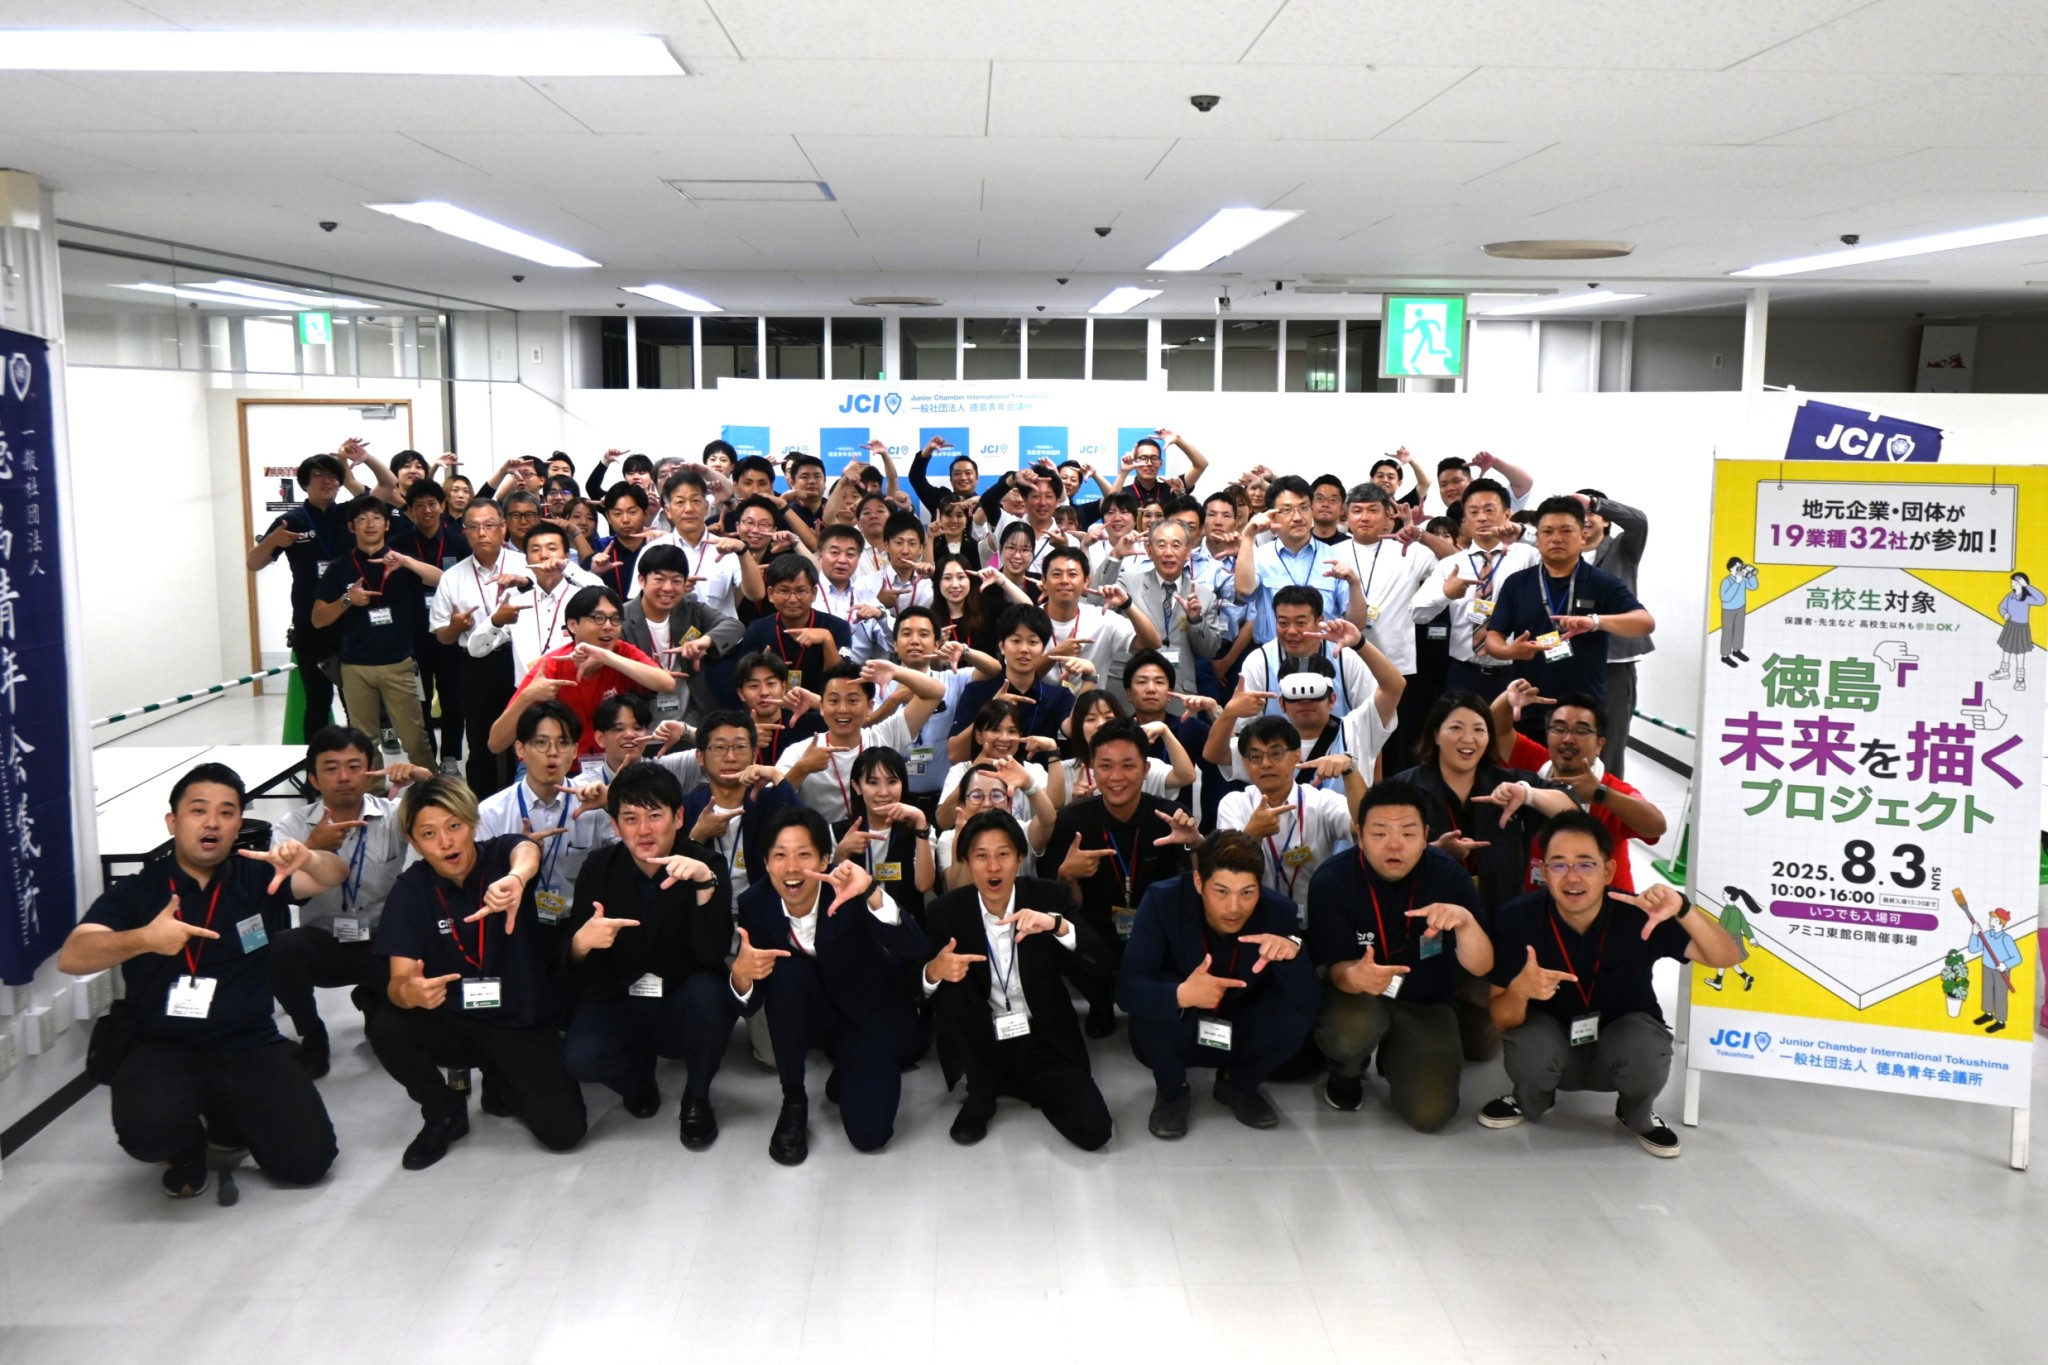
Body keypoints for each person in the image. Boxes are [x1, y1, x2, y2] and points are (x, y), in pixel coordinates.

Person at [58, 763, 349, 1195]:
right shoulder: (140, 890)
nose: (212, 822)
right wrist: (144, 938)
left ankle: (226, 1120)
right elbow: (73, 956)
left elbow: (334, 874)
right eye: (198, 810)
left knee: (308, 1162)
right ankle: (187, 1146)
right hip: (163, 1043)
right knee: (147, 1133)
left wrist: (310, 856)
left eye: (226, 812)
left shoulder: (257, 878)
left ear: (238, 826)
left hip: (248, 1040)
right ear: (173, 822)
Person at [1481, 811, 1744, 1157]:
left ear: (1608, 871)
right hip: (1552, 1045)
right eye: (1558, 865)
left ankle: (1635, 1112)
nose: (1572, 877)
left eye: (1585, 864)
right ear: (1543, 871)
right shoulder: (1517, 918)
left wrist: (1683, 909)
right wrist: (1519, 991)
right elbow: (1501, 1020)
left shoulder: (1638, 914)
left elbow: (1727, 956)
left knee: (1647, 1048)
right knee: (1528, 1046)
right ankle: (1533, 1099)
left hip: (1621, 1045)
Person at [369, 776, 587, 1169]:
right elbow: (399, 982)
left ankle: (500, 1080)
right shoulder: (411, 891)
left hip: (519, 1019)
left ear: (472, 823)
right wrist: (410, 992)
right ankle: (443, 1111)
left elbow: (526, 850)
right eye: (429, 834)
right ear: (413, 841)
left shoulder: (501, 856)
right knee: (387, 1026)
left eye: (454, 826)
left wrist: (516, 879)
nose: (446, 842)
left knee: (564, 1132)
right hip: (455, 1019)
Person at [727, 808, 928, 1165]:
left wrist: (872, 891)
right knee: (785, 973)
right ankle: (793, 1101)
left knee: (870, 1135)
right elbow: (751, 1002)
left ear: (824, 859)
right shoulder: (755, 904)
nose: (792, 868)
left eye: (803, 854)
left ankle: (852, 1065)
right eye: (780, 855)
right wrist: (741, 974)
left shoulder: (849, 888)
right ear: (766, 862)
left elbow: (914, 949)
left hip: (868, 1016)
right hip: (815, 1014)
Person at [561, 761, 736, 1146]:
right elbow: (574, 963)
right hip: (618, 995)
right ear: (615, 824)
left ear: (678, 817)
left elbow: (712, 954)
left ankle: (697, 1096)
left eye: (655, 815)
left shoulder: (706, 865)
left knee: (712, 996)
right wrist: (581, 943)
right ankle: (636, 1081)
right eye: (630, 818)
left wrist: (705, 887)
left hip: (680, 995)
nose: (643, 830)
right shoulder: (599, 867)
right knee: (580, 1057)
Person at [1305, 781, 1492, 1129]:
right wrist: (1353, 976)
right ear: (1360, 835)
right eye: (1380, 833)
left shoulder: (1449, 877)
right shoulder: (1332, 881)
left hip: (1426, 1000)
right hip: (1357, 996)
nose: (1394, 845)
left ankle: (1398, 1057)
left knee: (1431, 1115)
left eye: (1408, 833)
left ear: (1425, 835)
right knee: (1348, 1033)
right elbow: (1334, 968)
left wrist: (1466, 923)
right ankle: (1346, 1073)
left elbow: (1482, 966)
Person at [922, 810, 1114, 1149]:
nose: (993, 867)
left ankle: (1018, 1080)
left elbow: (1100, 962)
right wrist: (932, 971)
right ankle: (982, 1088)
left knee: (1095, 1131)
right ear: (965, 861)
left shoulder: (1049, 898)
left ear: (1020, 857)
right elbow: (914, 987)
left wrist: (1057, 926)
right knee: (951, 981)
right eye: (981, 856)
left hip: (1042, 1035)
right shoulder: (945, 912)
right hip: (982, 1038)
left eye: (1003, 854)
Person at [1116, 831, 1317, 1138]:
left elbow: (1310, 1001)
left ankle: (1239, 1085)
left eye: (1247, 892)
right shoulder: (1163, 900)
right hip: (1182, 1019)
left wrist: (1293, 956)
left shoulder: (1278, 911)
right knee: (1157, 997)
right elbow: (1127, 989)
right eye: (1221, 892)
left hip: (1242, 1018)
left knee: (1294, 1013)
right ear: (1199, 882)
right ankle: (1172, 1090)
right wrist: (1181, 995)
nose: (1234, 907)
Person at [266, 726, 419, 1078]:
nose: (344, 777)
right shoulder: (292, 826)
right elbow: (280, 889)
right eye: (331, 768)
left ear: (370, 772)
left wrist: (423, 779)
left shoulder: (394, 815)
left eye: (354, 766)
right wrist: (312, 847)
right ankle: (312, 1033)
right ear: (314, 779)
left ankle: (373, 999)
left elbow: (453, 817)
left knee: (393, 1036)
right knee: (281, 948)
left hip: (383, 943)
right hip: (323, 942)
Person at [1041, 719, 1204, 1036]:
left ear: (1145, 770)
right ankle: (1099, 1000)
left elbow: (1198, 887)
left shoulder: (1170, 816)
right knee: (1061, 934)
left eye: (1128, 765)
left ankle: (1157, 996)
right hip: (1096, 924)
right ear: (1092, 768)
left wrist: (1195, 843)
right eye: (1105, 766)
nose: (1116, 776)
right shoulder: (1071, 821)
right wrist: (1066, 876)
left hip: (1155, 923)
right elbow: (1066, 906)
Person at [1482, 496, 1653, 727]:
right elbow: (1493, 637)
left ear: (1582, 536)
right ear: (1537, 537)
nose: (1556, 538)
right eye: (1547, 531)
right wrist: (1509, 651)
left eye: (1566, 531)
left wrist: (1595, 622)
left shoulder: (1602, 582)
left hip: (1584, 710)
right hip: (1529, 701)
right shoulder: (1517, 583)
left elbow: (1644, 622)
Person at [1489, 685, 1667, 893]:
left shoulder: (1611, 790)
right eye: (1559, 729)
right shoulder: (1537, 763)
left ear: (1599, 744)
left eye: (1581, 731)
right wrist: (1507, 699)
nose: (1568, 739)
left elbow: (1656, 826)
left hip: (1604, 903)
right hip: (1539, 898)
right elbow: (1498, 732)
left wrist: (1601, 794)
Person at [248, 449, 363, 737]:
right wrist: (273, 541)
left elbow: (384, 490)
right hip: (310, 623)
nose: (328, 481)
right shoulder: (292, 520)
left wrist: (351, 465)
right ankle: (315, 759)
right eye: (319, 475)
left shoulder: (349, 515)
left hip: (351, 620)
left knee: (355, 700)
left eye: (333, 476)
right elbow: (253, 563)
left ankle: (358, 757)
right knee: (317, 699)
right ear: (304, 483)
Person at [486, 586, 677, 756]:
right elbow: (495, 744)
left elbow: (667, 684)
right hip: (558, 765)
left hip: (609, 763)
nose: (608, 626)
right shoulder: (551, 665)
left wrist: (605, 656)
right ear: (572, 625)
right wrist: (529, 696)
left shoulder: (622, 653)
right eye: (598, 618)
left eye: (615, 619)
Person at [475, 701, 610, 927]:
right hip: (515, 922)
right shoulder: (491, 812)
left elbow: (627, 860)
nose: (553, 752)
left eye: (563, 743)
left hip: (580, 923)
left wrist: (612, 805)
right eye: (541, 743)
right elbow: (478, 879)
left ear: (575, 750)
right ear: (520, 749)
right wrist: (514, 851)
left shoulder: (594, 804)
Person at [430, 499, 530, 796]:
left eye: (489, 525)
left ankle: (521, 799)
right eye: (473, 527)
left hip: (522, 659)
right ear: (465, 532)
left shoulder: (525, 565)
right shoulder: (453, 577)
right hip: (477, 665)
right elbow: (443, 637)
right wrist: (455, 627)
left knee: (525, 733)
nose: (482, 533)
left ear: (503, 528)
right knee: (480, 738)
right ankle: (484, 806)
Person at [1215, 716, 1357, 918]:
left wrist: (1351, 768)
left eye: (1276, 753)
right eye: (1255, 757)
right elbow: (1224, 868)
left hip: (1318, 917)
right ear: (1246, 762)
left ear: (1297, 756)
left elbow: (1363, 825)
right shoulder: (1234, 804)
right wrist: (1252, 835)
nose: (1265, 764)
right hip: (1254, 919)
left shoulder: (1321, 801)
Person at [1411, 477, 1536, 702]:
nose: (1482, 518)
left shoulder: (1527, 556)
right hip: (1463, 673)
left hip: (1515, 673)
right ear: (1465, 520)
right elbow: (1417, 613)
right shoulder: (1450, 564)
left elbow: (1564, 552)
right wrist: (1445, 595)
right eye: (1473, 512)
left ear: (1507, 514)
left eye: (1489, 510)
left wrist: (1523, 532)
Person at [777, 659, 943, 824]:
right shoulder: (800, 752)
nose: (843, 709)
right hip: (822, 840)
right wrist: (802, 769)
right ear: (821, 706)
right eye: (834, 701)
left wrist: (896, 671)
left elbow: (935, 692)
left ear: (870, 706)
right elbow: (771, 803)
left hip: (879, 838)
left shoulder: (884, 736)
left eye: (853, 700)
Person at [390, 479, 468, 774]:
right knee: (418, 702)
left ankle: (450, 759)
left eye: (432, 504)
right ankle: (426, 761)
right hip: (413, 636)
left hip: (450, 634)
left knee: (453, 699)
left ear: (442, 506)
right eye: (419, 505)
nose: (426, 510)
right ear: (410, 510)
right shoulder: (399, 544)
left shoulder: (458, 542)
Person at [621, 542, 742, 729]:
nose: (668, 588)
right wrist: (650, 676)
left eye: (677, 581)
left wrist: (705, 641)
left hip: (690, 720)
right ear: (642, 580)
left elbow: (734, 626)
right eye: (659, 580)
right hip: (638, 721)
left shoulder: (690, 608)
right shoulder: (621, 618)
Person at [1576, 490, 1652, 776]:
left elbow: (1639, 521)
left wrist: (1596, 504)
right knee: (1568, 740)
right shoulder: (1563, 551)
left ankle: (1607, 801)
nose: (1585, 519)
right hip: (1570, 662)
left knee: (1610, 744)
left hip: (1614, 664)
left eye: (1591, 514)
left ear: (1606, 520)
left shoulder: (1623, 548)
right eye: (1579, 514)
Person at [1235, 475, 1348, 644]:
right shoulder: (1260, 556)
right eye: (1287, 510)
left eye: (1304, 508)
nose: (1298, 517)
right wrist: (1248, 536)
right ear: (1272, 516)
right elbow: (1244, 590)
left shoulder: (1335, 557)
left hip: (1324, 654)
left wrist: (1354, 582)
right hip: (1273, 654)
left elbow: (1356, 621)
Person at [949, 605, 1077, 753]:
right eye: (1016, 641)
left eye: (1033, 642)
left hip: (1040, 769)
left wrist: (1090, 678)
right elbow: (954, 754)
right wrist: (992, 709)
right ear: (1002, 647)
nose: (1024, 649)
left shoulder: (1059, 696)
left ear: (1043, 649)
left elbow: (1075, 732)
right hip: (987, 768)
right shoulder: (976, 691)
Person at [743, 552, 851, 693]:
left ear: (814, 593)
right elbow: (743, 681)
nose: (792, 599)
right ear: (770, 594)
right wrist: (762, 666)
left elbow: (841, 684)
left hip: (820, 704)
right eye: (784, 591)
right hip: (773, 703)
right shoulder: (757, 630)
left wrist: (827, 639)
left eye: (800, 591)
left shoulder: (838, 628)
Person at [1989, 571, 2046, 690]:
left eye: (2015, 582)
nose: (2012, 584)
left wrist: (2027, 586)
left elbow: (2042, 600)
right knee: (2006, 649)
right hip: (2010, 626)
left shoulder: (2027, 598)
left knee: (2020, 653)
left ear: (2022, 584)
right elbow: (2002, 607)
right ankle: (2004, 671)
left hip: (2021, 628)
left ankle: (2020, 679)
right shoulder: (2010, 596)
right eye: (2012, 582)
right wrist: (2004, 614)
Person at [1717, 556, 1759, 669]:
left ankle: (1737, 650)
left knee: (1739, 630)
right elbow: (1725, 597)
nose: (1740, 569)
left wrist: (1752, 574)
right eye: (1737, 567)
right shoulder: (1727, 581)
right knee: (1727, 632)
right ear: (1731, 568)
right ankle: (1725, 656)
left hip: (1741, 607)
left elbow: (1753, 586)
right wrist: (1737, 582)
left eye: (1741, 567)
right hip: (1729, 610)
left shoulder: (1743, 578)